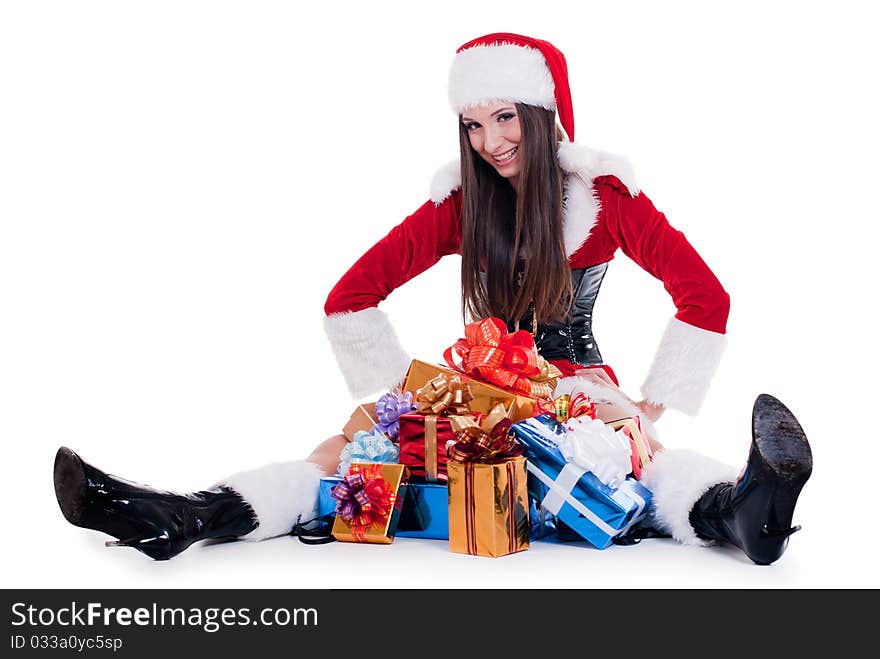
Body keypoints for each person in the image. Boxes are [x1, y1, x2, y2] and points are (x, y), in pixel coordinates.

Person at [53, 33, 812, 565]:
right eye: (473, 124)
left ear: (544, 114)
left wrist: (651, 404)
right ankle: (188, 514)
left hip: (576, 391)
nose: (489, 141)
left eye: (505, 117)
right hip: (477, 393)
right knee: (348, 449)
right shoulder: (458, 206)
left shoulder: (604, 198)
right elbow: (348, 297)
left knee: (638, 458)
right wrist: (401, 396)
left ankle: (746, 513)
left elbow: (704, 296)